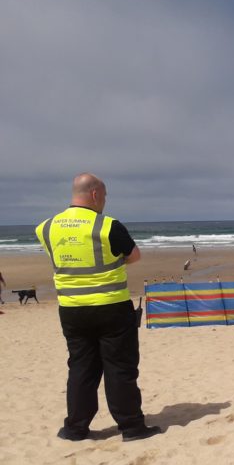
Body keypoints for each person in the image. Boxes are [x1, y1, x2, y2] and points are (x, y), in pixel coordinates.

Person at [35, 173, 161, 441]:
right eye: (104, 196)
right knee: (119, 368)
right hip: (111, 306)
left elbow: (58, 258)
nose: (104, 201)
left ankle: (75, 428)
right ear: (95, 194)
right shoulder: (107, 225)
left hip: (71, 309)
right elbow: (134, 256)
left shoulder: (46, 227)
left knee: (80, 368)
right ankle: (131, 427)